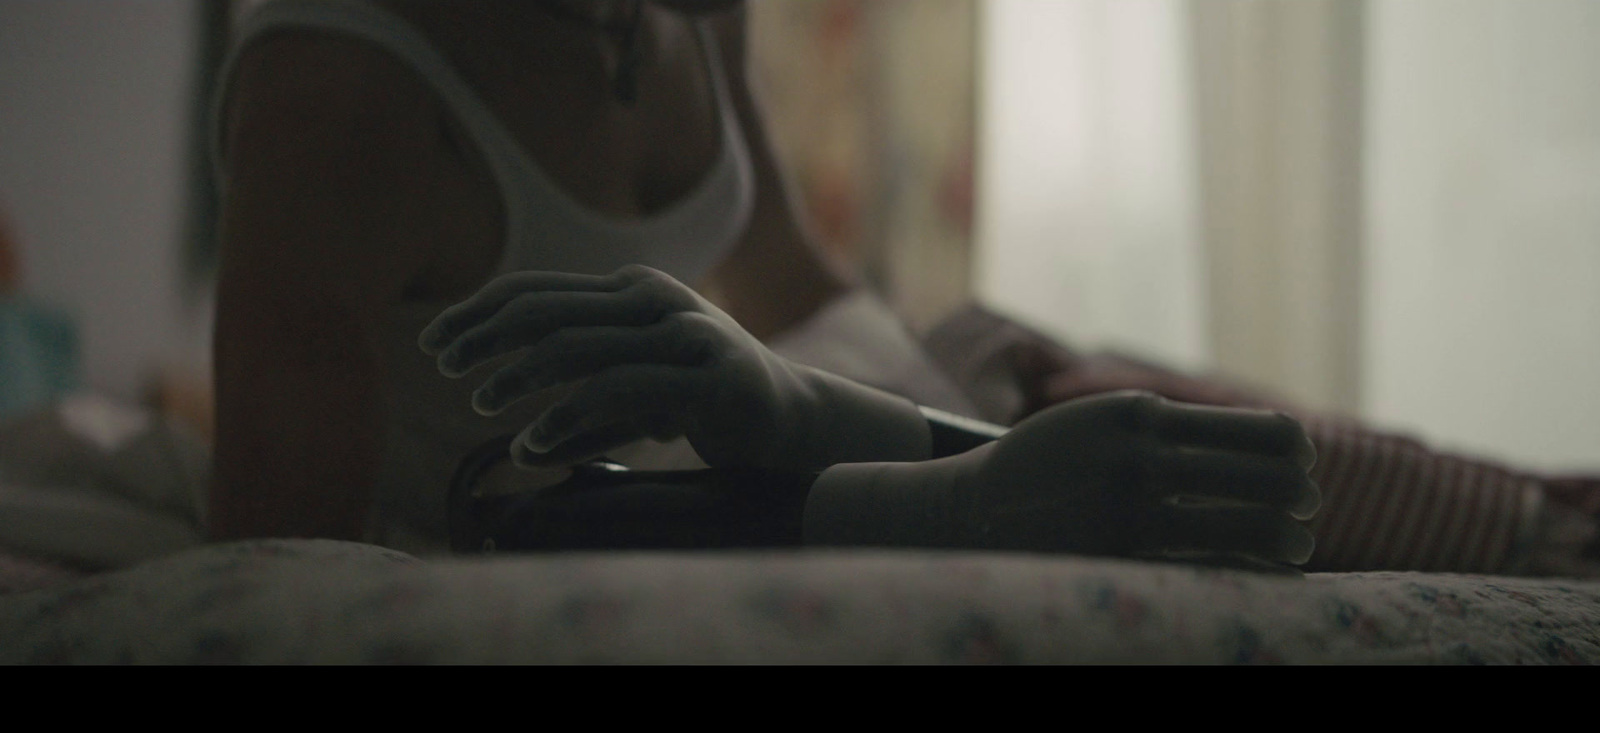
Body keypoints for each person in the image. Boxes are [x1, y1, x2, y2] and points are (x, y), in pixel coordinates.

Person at [209, 0, 1318, 559]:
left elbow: (787, 275)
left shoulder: (681, 18)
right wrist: (963, 495)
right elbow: (283, 570)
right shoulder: (341, 93)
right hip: (488, 535)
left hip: (715, 480)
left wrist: (973, 436)